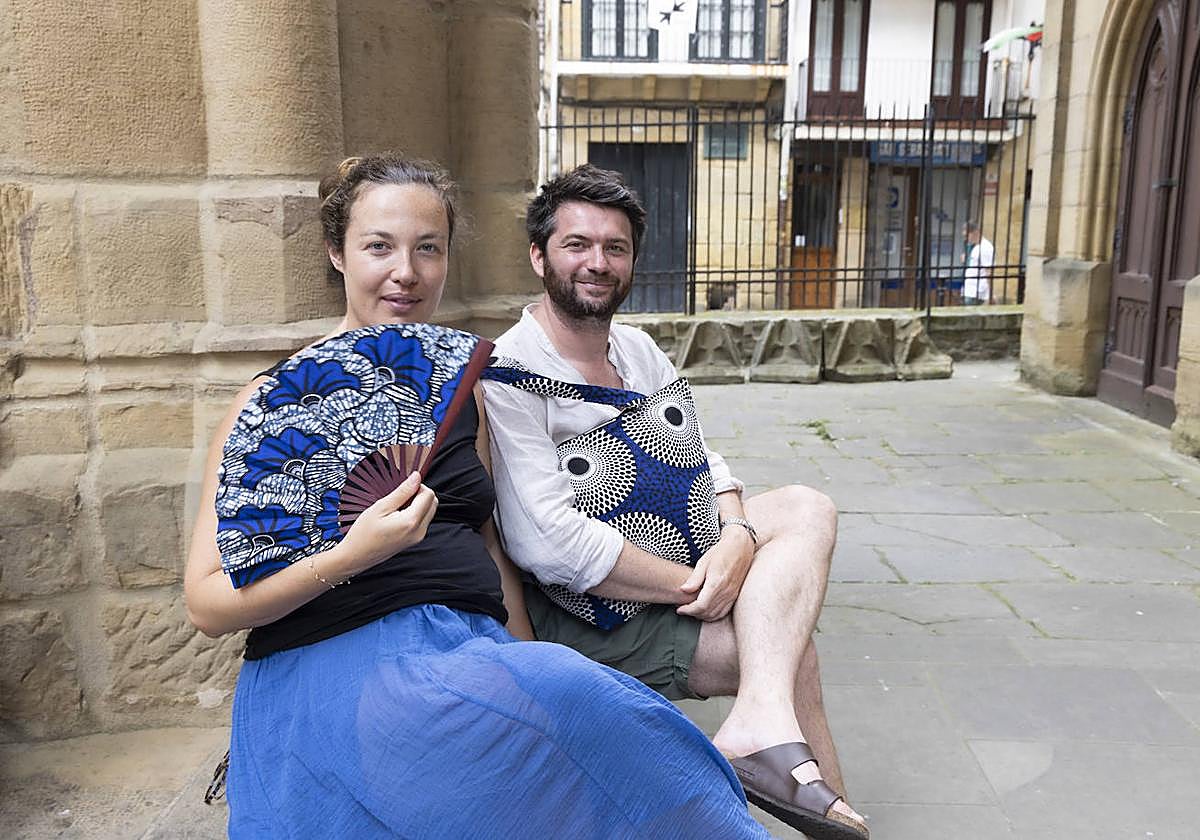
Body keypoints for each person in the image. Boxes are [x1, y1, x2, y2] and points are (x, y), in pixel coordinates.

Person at [184, 153, 772, 839]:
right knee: (609, 720)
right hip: (343, 658)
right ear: (336, 253)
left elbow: (492, 546)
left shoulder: (463, 392)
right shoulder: (266, 400)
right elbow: (207, 603)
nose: (406, 272)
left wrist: (524, 663)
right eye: (379, 246)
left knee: (588, 717)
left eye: (427, 249)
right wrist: (352, 554)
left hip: (469, 645)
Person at [482, 164, 870, 840]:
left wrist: (738, 537)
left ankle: (760, 723)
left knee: (809, 506)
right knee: (789, 650)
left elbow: (703, 458)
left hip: (683, 547)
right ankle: (816, 795)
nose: (597, 262)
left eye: (616, 247)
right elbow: (545, 541)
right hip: (591, 607)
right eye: (577, 244)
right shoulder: (511, 374)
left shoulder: (636, 349)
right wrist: (701, 584)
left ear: (632, 260)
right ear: (539, 255)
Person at [962, 220, 994, 305]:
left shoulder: (985, 247)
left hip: (977, 292)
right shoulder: (975, 247)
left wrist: (990, 295)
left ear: (975, 232)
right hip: (971, 290)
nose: (965, 239)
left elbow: (988, 272)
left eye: (967, 235)